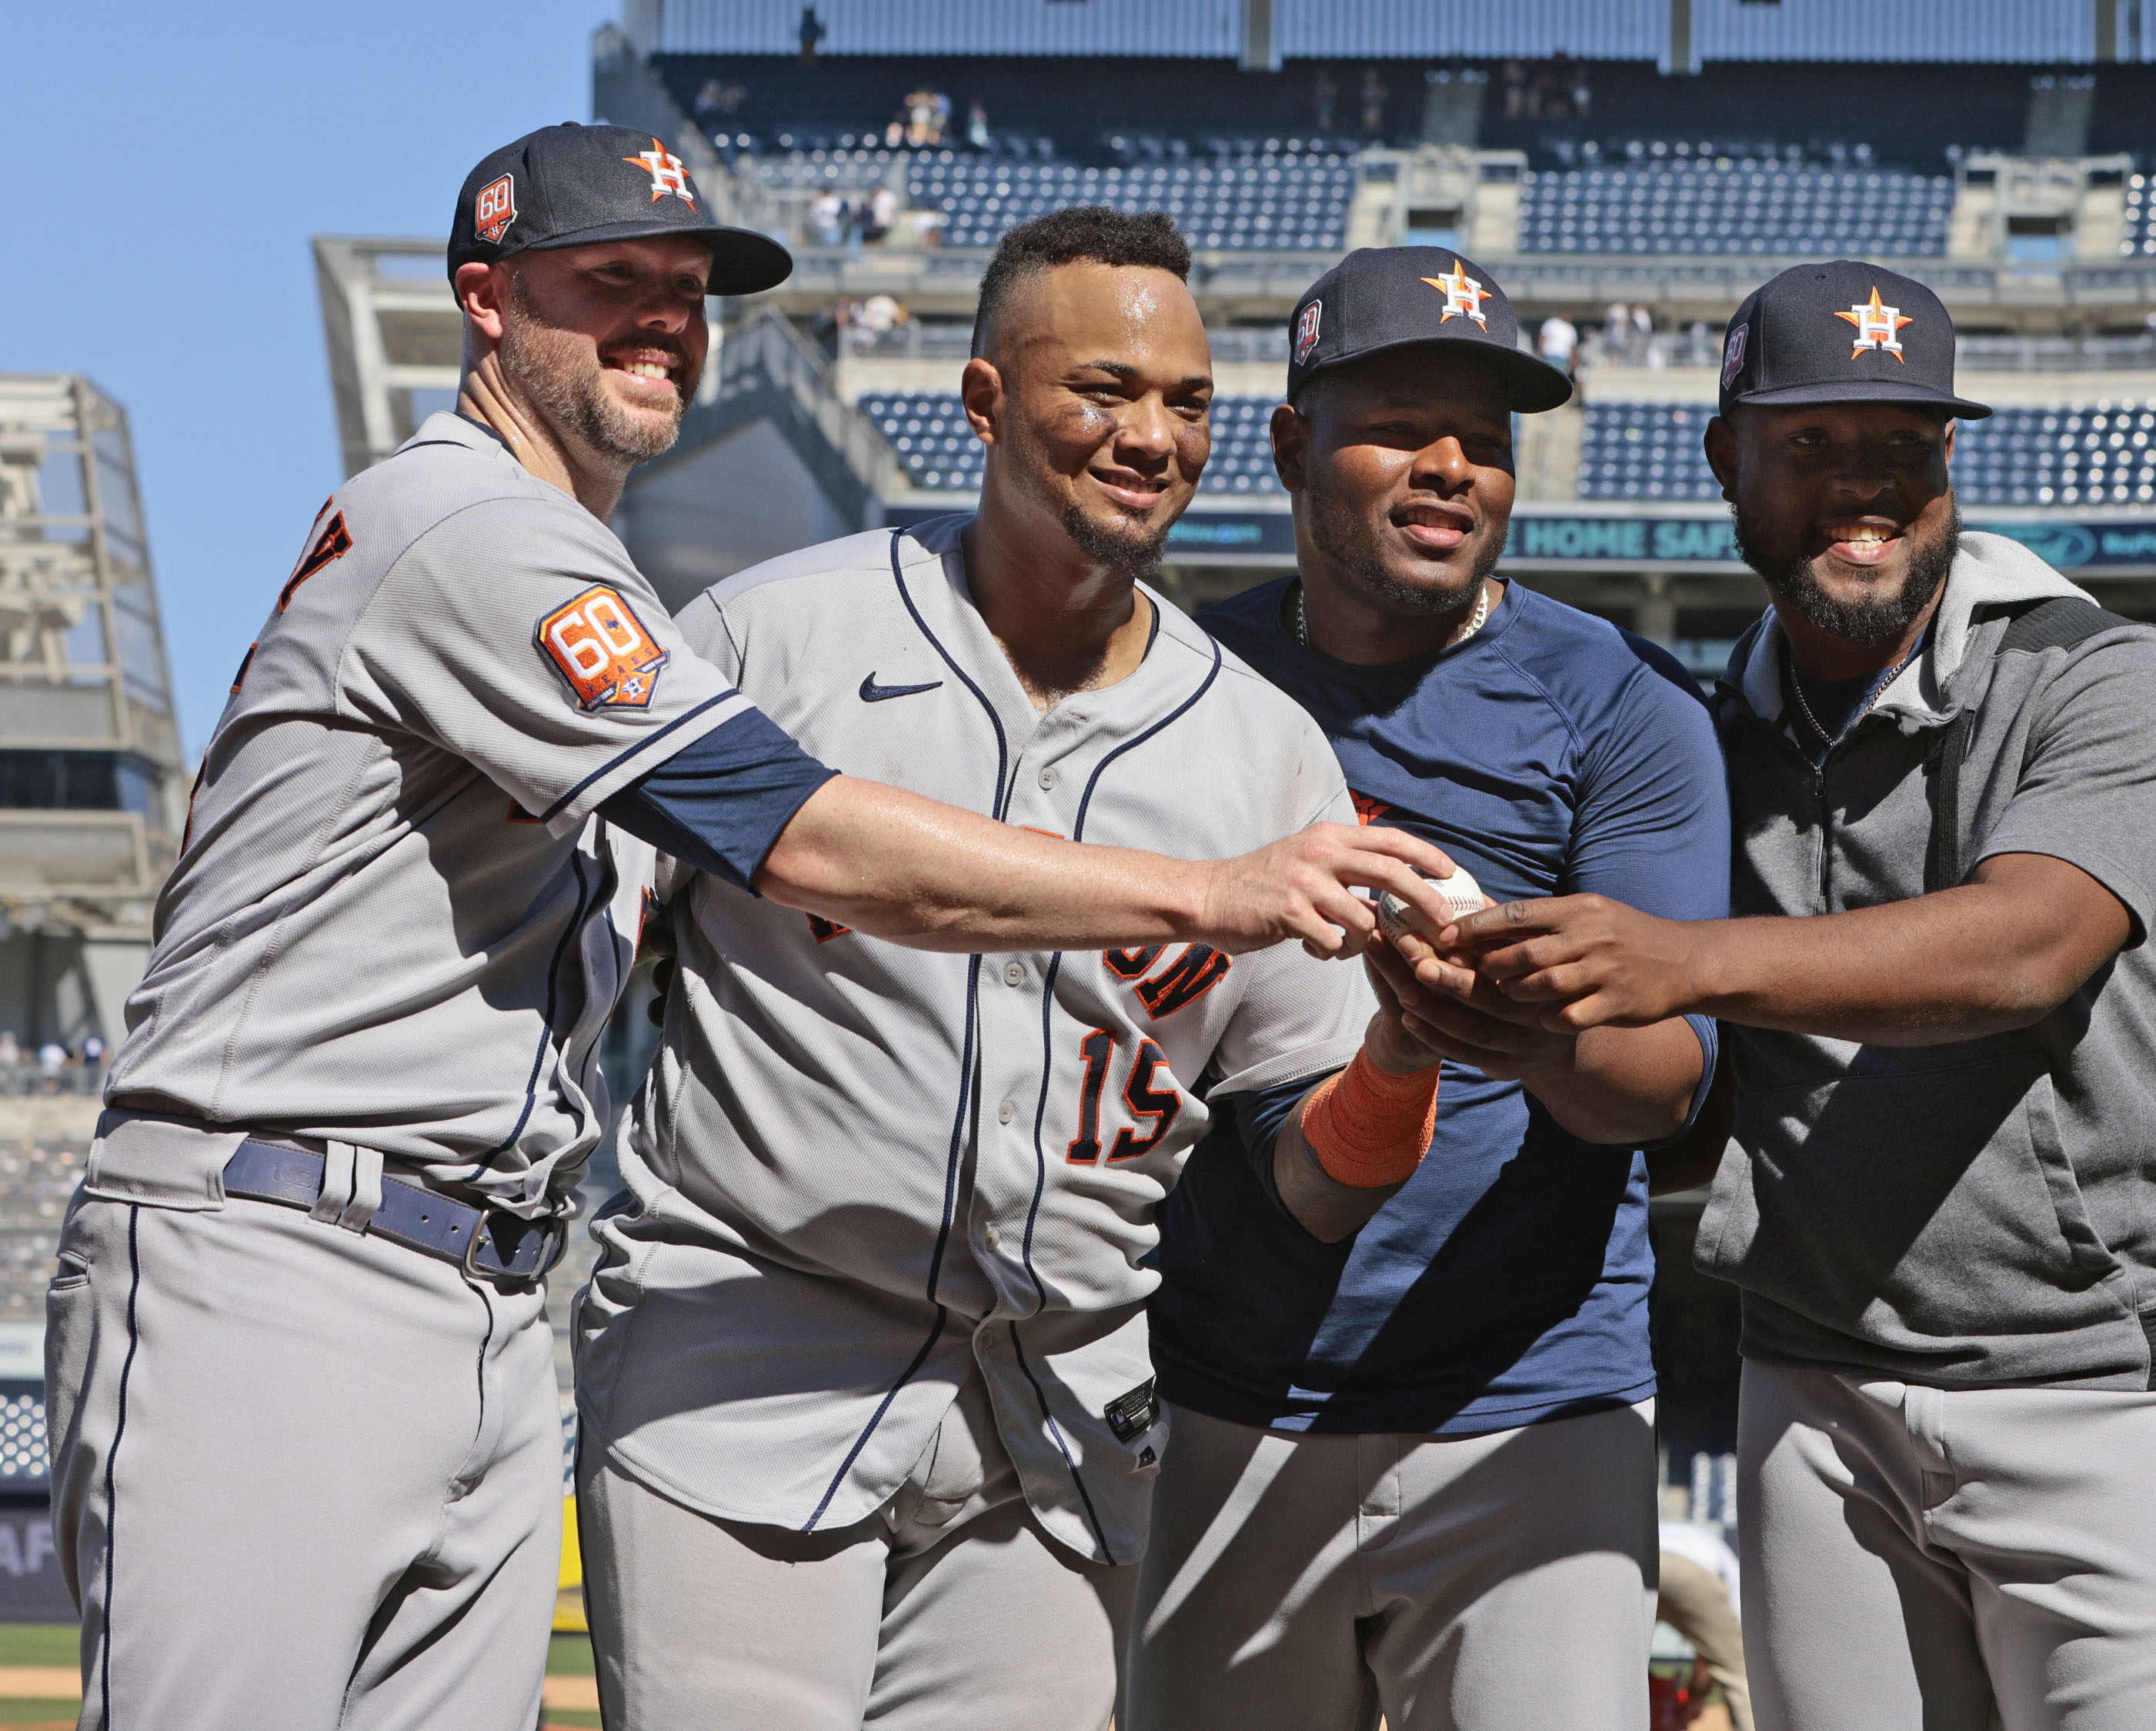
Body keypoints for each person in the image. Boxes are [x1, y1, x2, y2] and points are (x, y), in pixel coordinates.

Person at [45, 132, 1444, 1731]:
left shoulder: (585, 569)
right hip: (284, 1242)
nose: (664, 322)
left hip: (489, 1284)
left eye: (688, 291)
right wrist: (1207, 890)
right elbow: (798, 832)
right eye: (611, 284)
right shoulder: (470, 531)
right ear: (485, 303)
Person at [572, 208, 1457, 1731]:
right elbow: (581, 956)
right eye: (1102, 389)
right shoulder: (769, 636)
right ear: (983, 403)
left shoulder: (1264, 752)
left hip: (1058, 1417)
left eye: (1186, 402)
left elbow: (1314, 1183)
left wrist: (1409, 1053)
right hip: (749, 1353)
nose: (1151, 435)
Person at [1433, 261, 2156, 1730]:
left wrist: (1680, 958)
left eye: (1903, 448)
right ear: (1726, 456)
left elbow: (2025, 950)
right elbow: (1691, 1093)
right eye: (1814, 444)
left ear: (1951, 463)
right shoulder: (1696, 734)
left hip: (2097, 1386)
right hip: (1813, 1395)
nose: (1864, 489)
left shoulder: (2111, 672)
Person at [1129, 248, 1730, 1731]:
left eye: (1489, 438)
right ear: (1289, 445)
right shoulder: (1176, 682)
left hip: (1532, 1408)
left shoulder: (1621, 704)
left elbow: (1670, 1082)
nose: (1454, 466)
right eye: (1401, 421)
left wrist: (1514, 1031)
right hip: (1218, 1393)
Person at [1657, 1521, 1753, 1731]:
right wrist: (1695, 1701)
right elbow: (1708, 1665)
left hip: (1635, 1560)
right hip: (1690, 1568)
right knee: (1739, 1674)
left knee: (1612, 1664)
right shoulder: (1735, 1579)